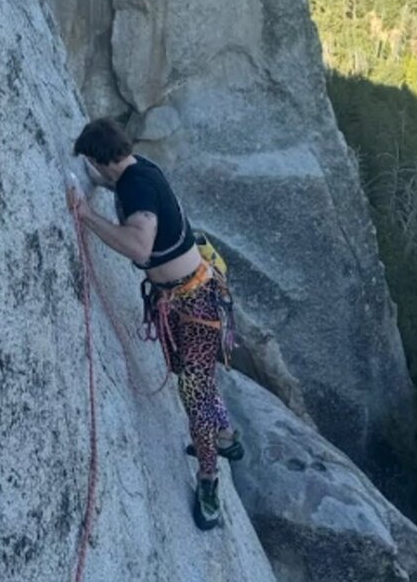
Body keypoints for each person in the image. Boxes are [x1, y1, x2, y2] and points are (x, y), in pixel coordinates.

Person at [68, 117, 241, 532]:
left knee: (195, 393)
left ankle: (209, 481)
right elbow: (129, 192)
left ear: (102, 159)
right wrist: (100, 180)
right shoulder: (138, 168)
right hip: (189, 297)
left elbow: (140, 246)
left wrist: (86, 215)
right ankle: (226, 436)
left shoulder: (136, 187)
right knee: (197, 379)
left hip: (194, 305)